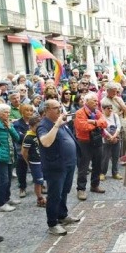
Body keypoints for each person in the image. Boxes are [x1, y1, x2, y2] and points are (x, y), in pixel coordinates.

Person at [37, 100, 80, 235]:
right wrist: (56, 125)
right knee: (54, 195)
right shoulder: (43, 125)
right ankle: (52, 223)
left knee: (64, 191)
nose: (59, 110)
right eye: (55, 108)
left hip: (68, 164)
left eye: (59, 107)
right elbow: (45, 142)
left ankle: (62, 215)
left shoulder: (60, 121)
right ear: (46, 110)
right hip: (55, 166)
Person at [74, 93, 108, 200]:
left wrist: (93, 122)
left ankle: (94, 185)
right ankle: (81, 189)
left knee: (97, 165)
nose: (96, 102)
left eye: (97, 101)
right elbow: (82, 126)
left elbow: (105, 123)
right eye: (94, 101)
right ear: (87, 101)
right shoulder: (79, 113)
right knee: (83, 167)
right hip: (84, 142)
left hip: (97, 141)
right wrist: (97, 124)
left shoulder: (97, 112)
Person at [0, 103, 21, 212]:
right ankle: (2, 204)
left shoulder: (7, 123)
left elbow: (17, 138)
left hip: (10, 154)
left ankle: (7, 198)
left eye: (8, 112)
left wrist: (10, 127)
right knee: (4, 180)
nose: (8, 114)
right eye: (5, 112)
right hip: (0, 156)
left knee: (9, 179)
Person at [21, 116, 46, 207]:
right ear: (31, 126)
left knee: (43, 179)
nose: (39, 128)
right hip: (35, 162)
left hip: (43, 160)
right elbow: (24, 152)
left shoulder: (40, 133)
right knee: (38, 181)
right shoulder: (29, 137)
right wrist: (29, 162)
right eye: (36, 126)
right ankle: (39, 198)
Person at [99, 103, 122, 181]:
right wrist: (110, 136)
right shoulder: (101, 117)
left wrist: (114, 136)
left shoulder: (115, 116)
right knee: (105, 157)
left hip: (116, 137)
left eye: (111, 108)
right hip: (106, 139)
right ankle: (102, 173)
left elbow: (119, 126)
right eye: (108, 108)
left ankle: (115, 172)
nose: (110, 110)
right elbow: (103, 129)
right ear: (103, 109)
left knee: (116, 156)